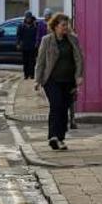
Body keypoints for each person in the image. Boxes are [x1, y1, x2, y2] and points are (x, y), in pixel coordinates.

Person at [35, 12, 84, 152]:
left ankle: (60, 138)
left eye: (67, 25)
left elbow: (79, 58)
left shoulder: (73, 39)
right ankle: (53, 136)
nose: (66, 27)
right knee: (56, 105)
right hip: (52, 80)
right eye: (63, 25)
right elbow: (41, 61)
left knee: (64, 109)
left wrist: (79, 76)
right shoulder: (47, 40)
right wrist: (37, 80)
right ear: (55, 26)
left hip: (68, 81)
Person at [17, 9, 39, 81]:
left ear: (31, 17)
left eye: (29, 17)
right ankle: (26, 75)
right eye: (27, 17)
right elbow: (18, 35)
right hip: (25, 46)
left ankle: (32, 75)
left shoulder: (35, 25)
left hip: (33, 46)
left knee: (32, 61)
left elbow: (37, 35)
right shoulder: (21, 25)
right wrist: (18, 43)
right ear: (25, 17)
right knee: (25, 61)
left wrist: (36, 43)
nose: (28, 19)